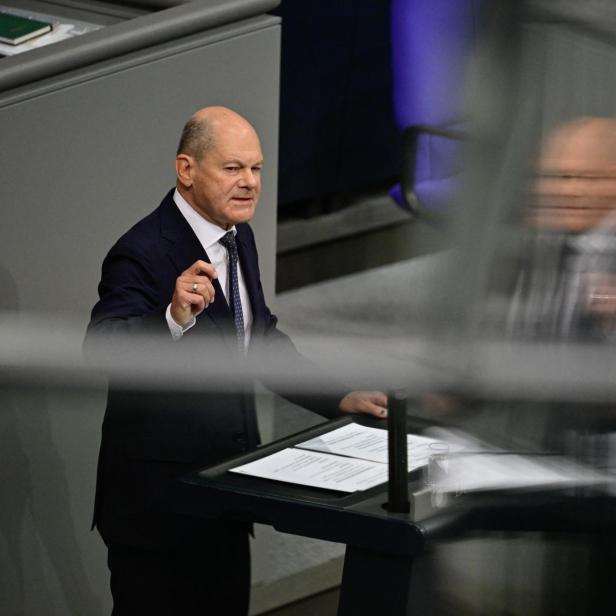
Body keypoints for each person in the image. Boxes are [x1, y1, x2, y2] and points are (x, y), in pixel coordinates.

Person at [86, 106, 388, 615]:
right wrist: (172, 319)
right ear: (187, 169)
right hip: (161, 510)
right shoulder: (141, 251)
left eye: (257, 169)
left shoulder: (236, 236)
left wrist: (337, 396)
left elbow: (259, 338)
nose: (250, 182)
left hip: (227, 493)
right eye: (233, 168)